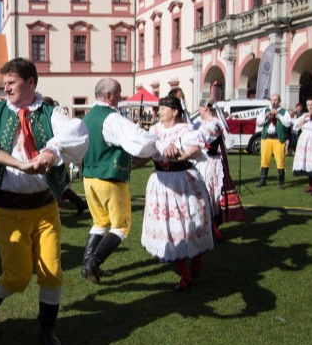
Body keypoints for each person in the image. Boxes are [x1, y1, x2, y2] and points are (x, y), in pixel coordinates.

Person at [0, 57, 89, 345]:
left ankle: (47, 329)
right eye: (4, 83)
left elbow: (78, 132)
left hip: (45, 207)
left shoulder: (50, 112)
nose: (6, 88)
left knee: (51, 271)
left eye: (12, 83)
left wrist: (53, 150)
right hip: (6, 208)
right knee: (17, 276)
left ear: (31, 83)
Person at [80, 78, 157, 283]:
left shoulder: (88, 117)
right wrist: (158, 142)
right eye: (119, 93)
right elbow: (136, 139)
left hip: (89, 179)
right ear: (109, 96)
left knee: (100, 222)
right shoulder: (111, 118)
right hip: (109, 178)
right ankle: (92, 264)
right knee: (121, 225)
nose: (121, 98)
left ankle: (88, 265)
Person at [141, 96, 214, 291]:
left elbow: (195, 148)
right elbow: (146, 155)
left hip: (183, 181)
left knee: (190, 224)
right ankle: (185, 274)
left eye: (164, 107)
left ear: (175, 111)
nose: (160, 110)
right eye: (159, 107)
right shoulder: (154, 130)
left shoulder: (185, 129)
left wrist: (179, 153)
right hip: (161, 184)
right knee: (169, 230)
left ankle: (197, 257)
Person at [193, 98, 246, 241]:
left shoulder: (214, 123)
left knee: (210, 194)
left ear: (204, 108)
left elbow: (202, 138)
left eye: (200, 108)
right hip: (202, 162)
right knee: (203, 193)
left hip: (211, 163)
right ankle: (207, 228)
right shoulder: (204, 123)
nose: (199, 111)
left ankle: (212, 229)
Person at [255, 93, 292, 189]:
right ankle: (263, 180)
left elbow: (288, 124)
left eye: (275, 100)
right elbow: (258, 123)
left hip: (278, 139)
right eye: (272, 100)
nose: (273, 102)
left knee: (280, 160)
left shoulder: (284, 112)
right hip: (266, 138)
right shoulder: (265, 110)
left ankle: (281, 182)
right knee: (264, 160)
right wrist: (267, 117)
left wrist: (278, 115)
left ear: (279, 101)